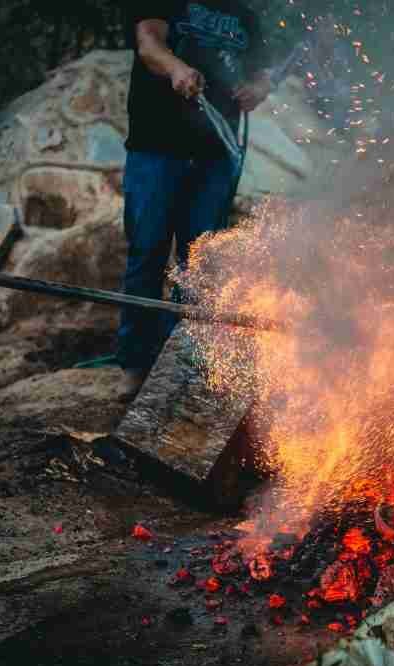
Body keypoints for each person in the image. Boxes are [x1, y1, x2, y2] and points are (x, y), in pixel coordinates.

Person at [117, 0, 273, 397]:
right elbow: (149, 43)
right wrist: (176, 68)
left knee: (199, 264)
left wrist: (257, 89)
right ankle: (135, 364)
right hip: (156, 149)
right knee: (147, 253)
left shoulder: (246, 16)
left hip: (215, 159)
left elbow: (262, 74)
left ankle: (176, 365)